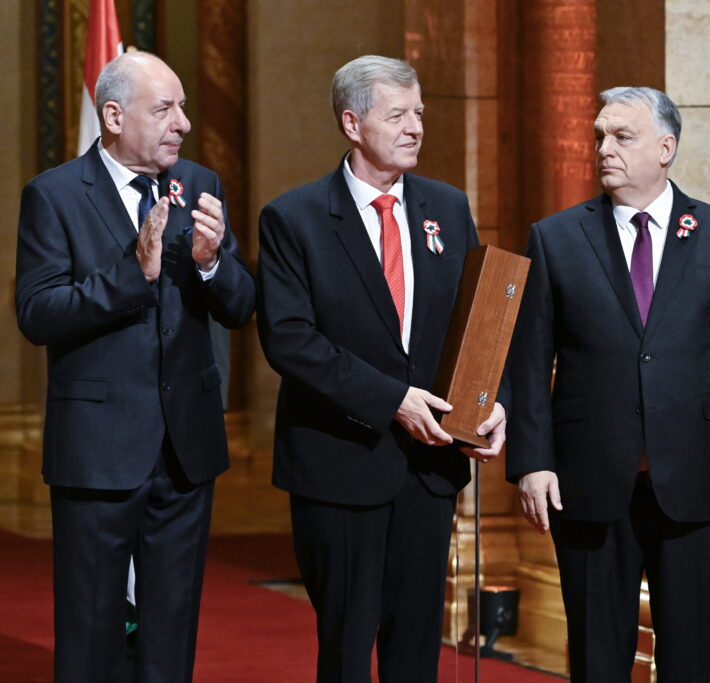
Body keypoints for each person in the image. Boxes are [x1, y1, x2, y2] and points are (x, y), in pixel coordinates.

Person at [507, 86, 710, 681]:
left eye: (622, 136)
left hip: (697, 481)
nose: (605, 148)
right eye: (600, 136)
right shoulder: (555, 238)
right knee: (597, 657)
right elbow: (528, 361)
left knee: (688, 658)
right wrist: (531, 461)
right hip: (586, 481)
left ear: (666, 147)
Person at [256, 55, 506, 682]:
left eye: (419, 112)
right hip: (340, 465)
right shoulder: (295, 218)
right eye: (397, 115)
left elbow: (470, 325)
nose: (415, 126)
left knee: (417, 645)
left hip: (428, 469)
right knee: (345, 648)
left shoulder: (447, 207)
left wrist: (485, 402)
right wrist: (391, 398)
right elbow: (289, 340)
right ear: (352, 123)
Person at [15, 51, 255, 682]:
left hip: (185, 450)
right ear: (114, 116)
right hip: (98, 452)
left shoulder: (199, 185)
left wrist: (210, 263)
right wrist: (132, 274)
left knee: (170, 634)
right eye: (165, 109)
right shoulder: (55, 195)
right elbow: (38, 312)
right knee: (92, 635)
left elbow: (241, 306)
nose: (182, 123)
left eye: (182, 108)